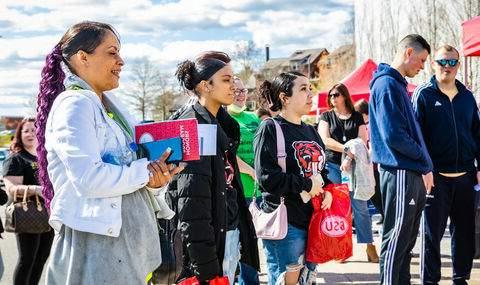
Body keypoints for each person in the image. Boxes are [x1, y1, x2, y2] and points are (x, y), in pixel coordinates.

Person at [35, 21, 182, 284]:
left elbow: (130, 176)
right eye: (112, 52)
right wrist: (144, 172)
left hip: (123, 249)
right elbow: (88, 178)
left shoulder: (109, 108)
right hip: (96, 248)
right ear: (83, 57)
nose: (121, 61)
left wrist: (155, 182)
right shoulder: (75, 105)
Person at [171, 51, 259, 285]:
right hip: (206, 251)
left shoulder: (222, 122)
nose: (234, 87)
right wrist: (208, 272)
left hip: (227, 232)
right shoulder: (193, 126)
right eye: (226, 80)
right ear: (206, 86)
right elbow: (192, 205)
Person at [254, 71, 333, 285]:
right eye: (303, 89)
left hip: (313, 221)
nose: (310, 94)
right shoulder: (270, 128)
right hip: (286, 225)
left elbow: (322, 171)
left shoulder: (311, 131)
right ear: (284, 97)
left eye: (310, 88)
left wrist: (328, 189)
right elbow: (267, 178)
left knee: (308, 280)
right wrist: (307, 184)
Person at [369, 34, 434, 285]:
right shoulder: (386, 84)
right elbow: (394, 135)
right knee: (396, 239)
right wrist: (423, 159)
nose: (422, 66)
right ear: (408, 53)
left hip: (409, 171)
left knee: (406, 242)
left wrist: (423, 163)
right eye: (421, 59)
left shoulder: (396, 85)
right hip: (400, 171)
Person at [412, 44, 479, 285]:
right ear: (433, 64)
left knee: (464, 233)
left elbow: (477, 133)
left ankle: (461, 278)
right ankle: (430, 281)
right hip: (435, 178)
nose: (447, 67)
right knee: (431, 236)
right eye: (442, 62)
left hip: (465, 177)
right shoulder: (423, 94)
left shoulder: (467, 97)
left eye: (452, 62)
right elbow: (415, 137)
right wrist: (424, 169)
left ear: (458, 65)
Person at [318, 83, 379, 263]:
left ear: (344, 95)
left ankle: (369, 246)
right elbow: (325, 139)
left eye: (336, 94)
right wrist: (346, 149)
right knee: (339, 209)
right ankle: (341, 249)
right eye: (330, 95)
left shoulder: (358, 116)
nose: (333, 98)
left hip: (355, 168)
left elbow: (362, 140)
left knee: (360, 207)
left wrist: (350, 156)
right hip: (333, 167)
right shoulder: (326, 116)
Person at [2, 118, 54, 285]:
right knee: (28, 259)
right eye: (26, 131)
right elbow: (11, 188)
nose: (30, 134)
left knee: (41, 258)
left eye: (33, 130)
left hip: (48, 213)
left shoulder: (44, 158)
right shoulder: (16, 159)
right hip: (28, 212)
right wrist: (35, 189)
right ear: (20, 135)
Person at [227, 77, 261, 285]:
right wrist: (250, 171)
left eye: (244, 90)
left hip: (257, 191)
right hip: (238, 189)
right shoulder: (225, 117)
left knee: (253, 241)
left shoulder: (253, 118)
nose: (241, 94)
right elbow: (228, 154)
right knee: (239, 242)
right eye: (236, 90)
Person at [354, 99, 384, 224]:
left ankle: (385, 214)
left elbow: (372, 146)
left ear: (363, 113)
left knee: (376, 193)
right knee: (374, 194)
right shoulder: (366, 126)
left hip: (374, 166)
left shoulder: (371, 126)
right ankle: (384, 214)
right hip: (369, 166)